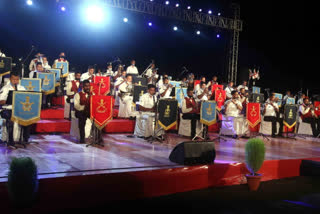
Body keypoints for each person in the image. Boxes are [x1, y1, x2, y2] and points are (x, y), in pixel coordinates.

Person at [0, 71, 30, 146]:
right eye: (14, 79)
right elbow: (1, 101)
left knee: (29, 116)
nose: (15, 81)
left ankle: (25, 138)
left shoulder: (22, 88)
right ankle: (10, 140)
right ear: (10, 79)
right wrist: (6, 100)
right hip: (8, 109)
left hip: (19, 109)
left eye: (17, 79)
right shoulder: (5, 88)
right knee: (10, 118)